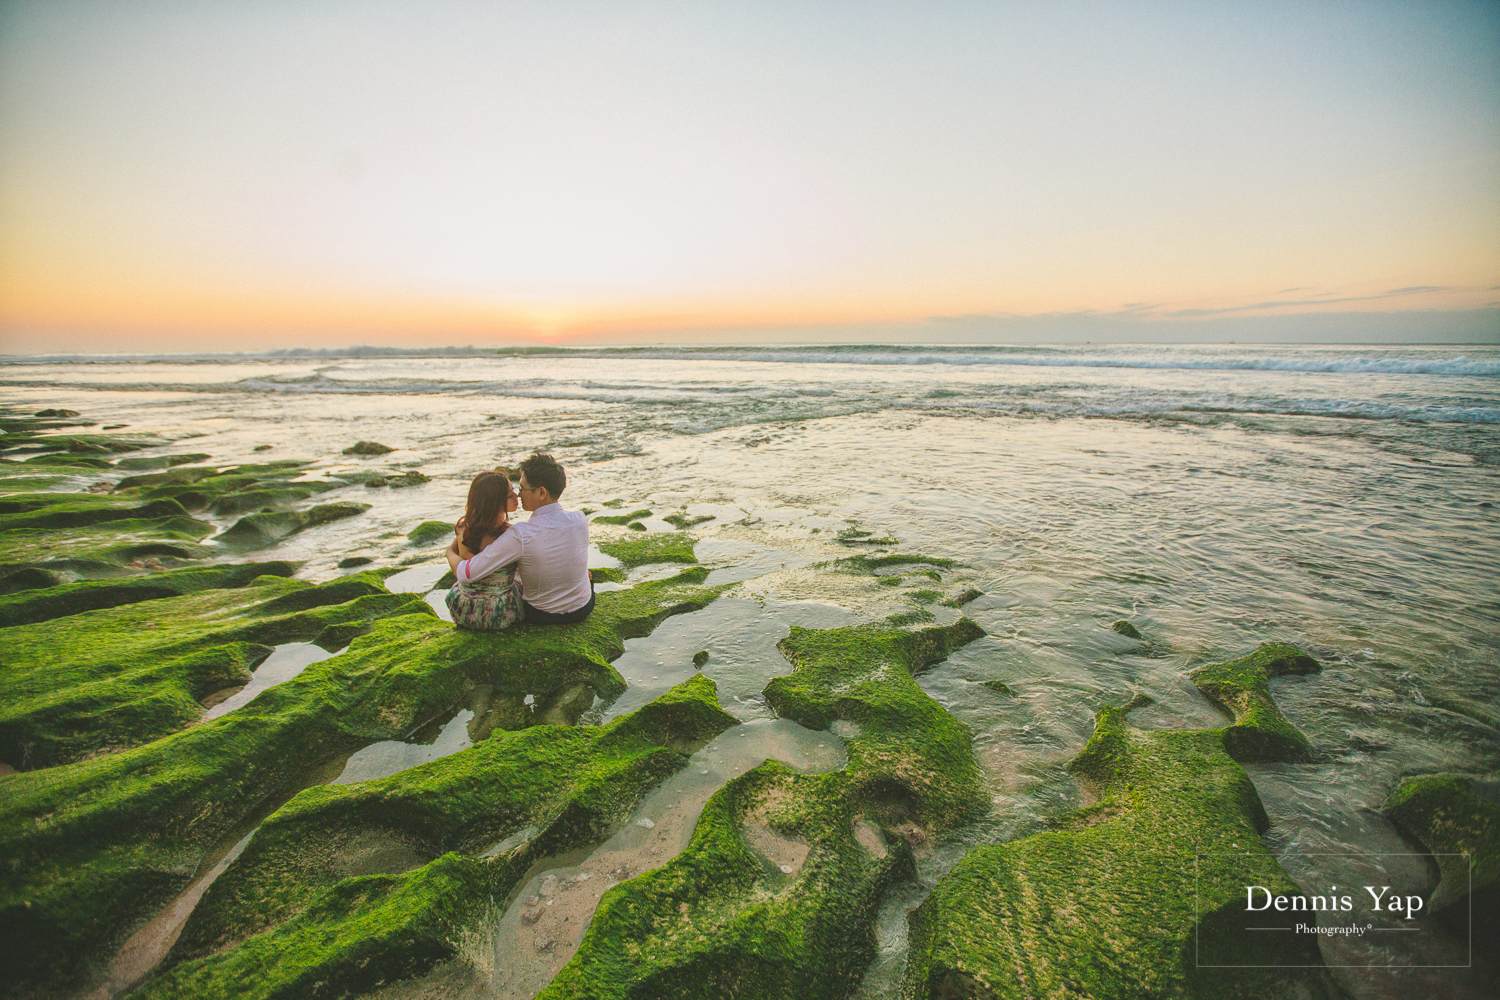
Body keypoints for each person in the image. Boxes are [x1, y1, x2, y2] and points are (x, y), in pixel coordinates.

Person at [445, 452, 594, 626]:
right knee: (584, 575)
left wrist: (449, 551)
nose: (519, 495)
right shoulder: (580, 519)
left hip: (542, 616)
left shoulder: (520, 534)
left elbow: (465, 573)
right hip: (584, 608)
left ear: (541, 492)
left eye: (522, 489)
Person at [444, 470, 524, 631]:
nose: (517, 496)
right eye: (510, 495)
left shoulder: (464, 529)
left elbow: (458, 562)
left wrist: (449, 552)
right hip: (499, 612)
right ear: (494, 503)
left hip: (465, 610)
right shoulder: (512, 534)